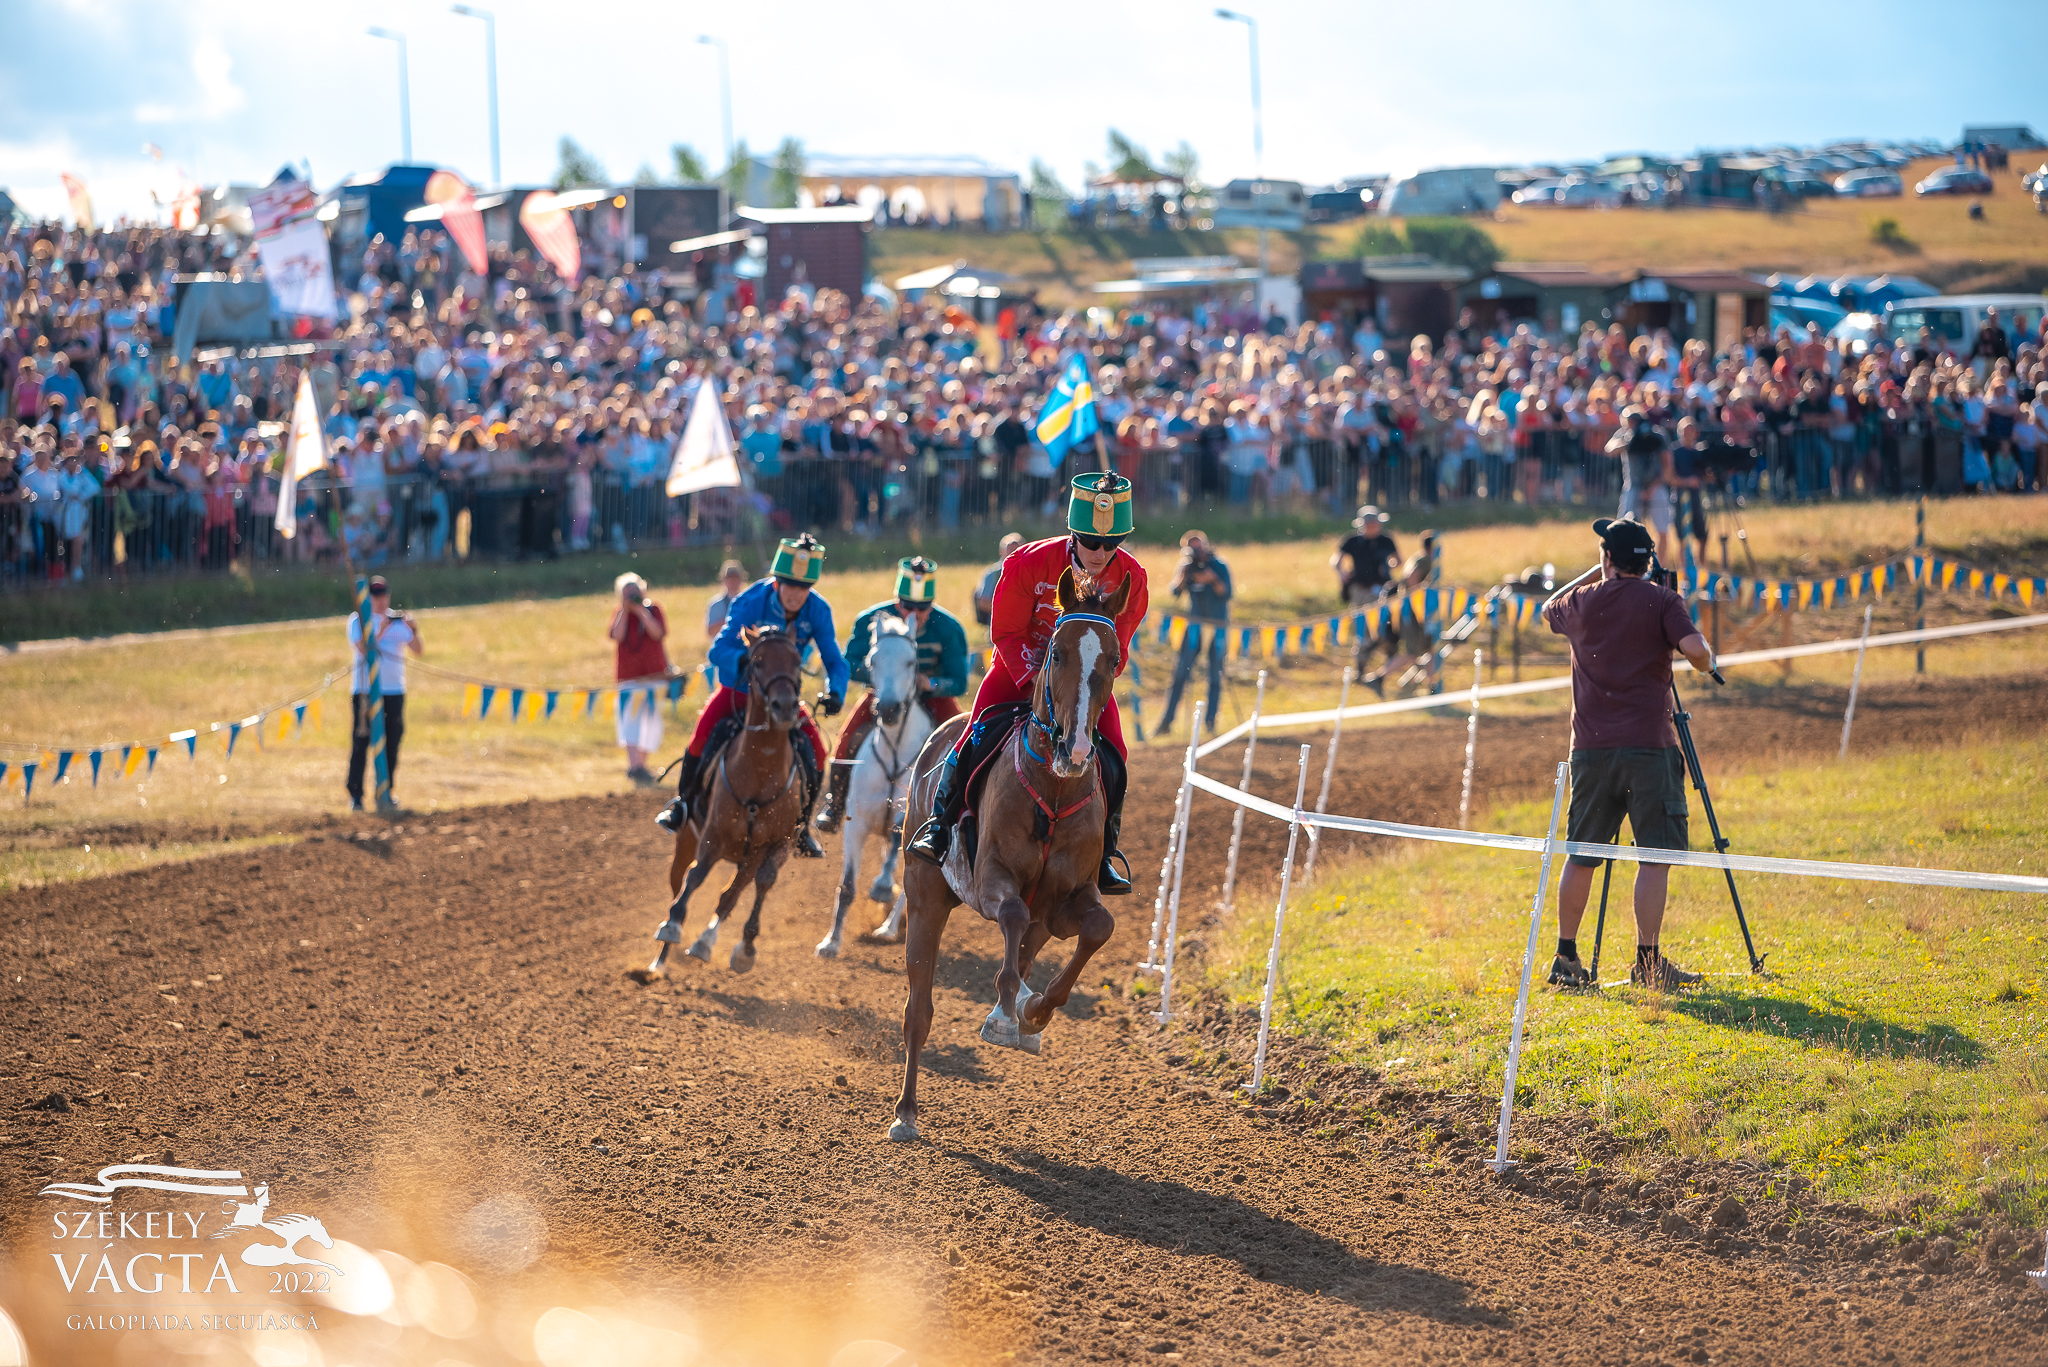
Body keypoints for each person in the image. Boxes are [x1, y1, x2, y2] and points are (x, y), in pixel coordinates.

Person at [907, 472, 1149, 894]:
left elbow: (1118, 650)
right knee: (974, 734)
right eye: (1091, 542)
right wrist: (1035, 675)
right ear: (1074, 534)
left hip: (1081, 681)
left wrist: (1082, 682)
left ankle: (1105, 851)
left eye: (1112, 543)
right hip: (1018, 669)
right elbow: (1004, 632)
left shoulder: (1133, 579)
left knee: (1116, 752)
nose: (1101, 552)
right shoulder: (1028, 562)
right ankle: (940, 825)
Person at [1541, 516, 1716, 992]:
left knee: (1581, 853)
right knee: (1654, 856)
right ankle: (1647, 961)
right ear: (1649, 563)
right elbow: (1697, 650)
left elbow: (1546, 608)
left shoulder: (1580, 601)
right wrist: (1706, 662)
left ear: (1607, 559)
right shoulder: (1663, 600)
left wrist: (1596, 576)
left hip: (1592, 749)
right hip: (1650, 747)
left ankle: (1566, 957)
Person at [656, 534, 847, 857]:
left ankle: (802, 826)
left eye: (804, 589)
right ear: (776, 583)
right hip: (738, 692)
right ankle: (683, 804)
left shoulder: (818, 609)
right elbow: (719, 649)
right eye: (791, 587)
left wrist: (835, 692)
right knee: (701, 737)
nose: (797, 596)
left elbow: (834, 660)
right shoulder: (749, 600)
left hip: (782, 700)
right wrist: (743, 659)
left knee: (816, 751)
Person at [814, 556, 970, 833]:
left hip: (930, 696)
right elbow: (850, 664)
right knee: (849, 738)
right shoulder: (868, 622)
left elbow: (959, 681)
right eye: (907, 606)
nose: (914, 614)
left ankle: (964, 806)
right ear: (897, 602)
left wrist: (930, 683)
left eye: (922, 608)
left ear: (931, 606)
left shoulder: (949, 628)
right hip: (884, 694)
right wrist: (880, 674)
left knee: (965, 743)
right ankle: (836, 804)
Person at [345, 575, 424, 812]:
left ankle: (386, 790)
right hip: (365, 691)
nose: (381, 600)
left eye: (384, 595)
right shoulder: (358, 620)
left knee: (393, 740)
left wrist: (413, 627)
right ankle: (356, 795)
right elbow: (363, 649)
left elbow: (419, 650)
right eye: (376, 596)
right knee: (361, 740)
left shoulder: (397, 620)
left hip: (394, 690)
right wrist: (381, 628)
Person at [1157, 529, 1231, 737]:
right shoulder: (1186, 567)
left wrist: (1213, 580)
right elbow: (1175, 592)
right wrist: (1183, 576)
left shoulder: (1219, 565)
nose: (1196, 552)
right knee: (1180, 674)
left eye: (1198, 547)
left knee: (1215, 676)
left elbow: (1227, 593)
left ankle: (1210, 723)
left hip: (1216, 627)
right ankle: (1167, 721)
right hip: (1195, 626)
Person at [609, 572, 670, 786]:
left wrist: (642, 612)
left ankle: (641, 766)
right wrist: (625, 612)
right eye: (627, 594)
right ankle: (634, 766)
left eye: (635, 592)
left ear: (643, 591)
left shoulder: (654, 610)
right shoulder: (619, 613)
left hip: (655, 676)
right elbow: (616, 635)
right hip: (629, 679)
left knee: (652, 724)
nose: (632, 597)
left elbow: (658, 633)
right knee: (629, 723)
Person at [1332, 505, 1398, 676]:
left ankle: (1387, 662)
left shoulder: (1385, 540)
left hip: (1382, 590)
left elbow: (1398, 560)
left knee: (1385, 626)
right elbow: (1336, 561)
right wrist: (1342, 575)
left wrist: (1387, 567)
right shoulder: (1353, 541)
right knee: (1364, 629)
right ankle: (1360, 667)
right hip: (1361, 590)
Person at [974, 531, 1024, 626]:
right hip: (1000, 627)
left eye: (1018, 552)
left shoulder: (1030, 572)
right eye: (1010, 552)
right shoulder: (993, 574)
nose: (1014, 555)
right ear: (1001, 552)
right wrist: (1010, 609)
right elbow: (983, 602)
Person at [705, 558, 747, 639]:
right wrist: (731, 620)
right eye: (729, 579)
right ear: (723, 580)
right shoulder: (715, 605)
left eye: (736, 578)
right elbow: (710, 631)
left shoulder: (748, 602)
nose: (733, 582)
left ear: (741, 580)